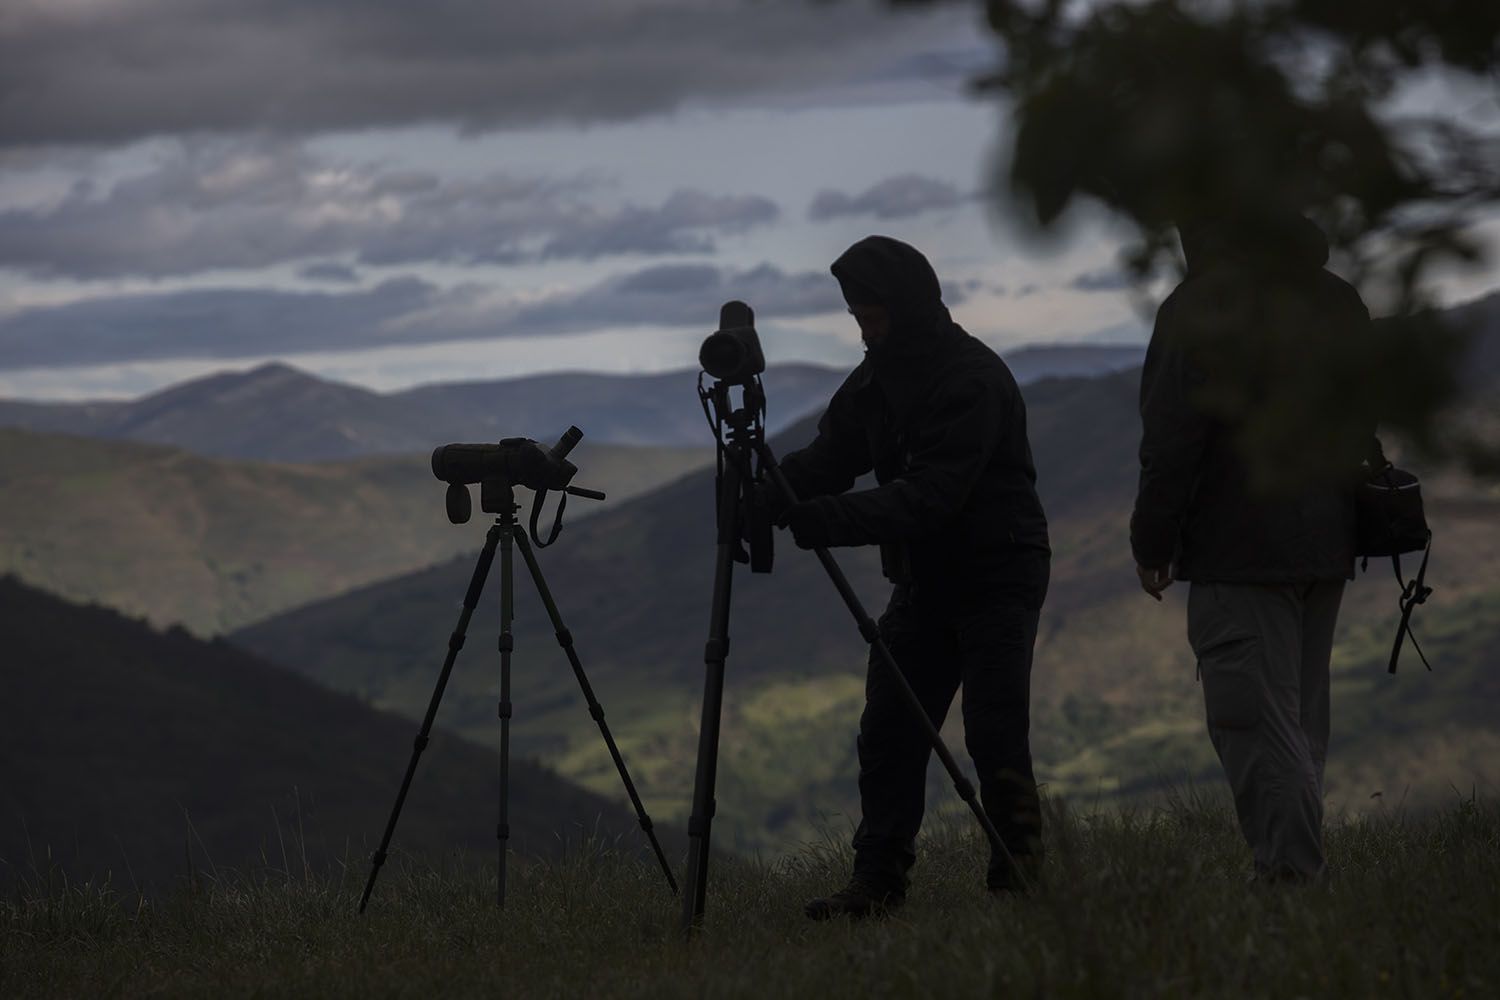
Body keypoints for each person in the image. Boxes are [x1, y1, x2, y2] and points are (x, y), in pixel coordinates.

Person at [774, 235, 1051, 919]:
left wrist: (826, 518)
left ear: (907, 308)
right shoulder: (876, 378)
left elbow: (931, 497)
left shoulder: (971, 379)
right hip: (925, 580)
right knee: (891, 729)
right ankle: (877, 883)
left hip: (996, 571)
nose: (865, 331)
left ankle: (1020, 879)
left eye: (873, 316)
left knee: (993, 731)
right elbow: (831, 456)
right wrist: (768, 488)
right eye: (858, 318)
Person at [1130, 213, 1373, 884]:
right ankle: (1295, 867)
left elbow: (1172, 439)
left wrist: (1153, 540)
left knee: (1256, 727)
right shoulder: (1335, 297)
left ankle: (1290, 881)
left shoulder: (1202, 308)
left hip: (1238, 553)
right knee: (1297, 725)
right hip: (1325, 545)